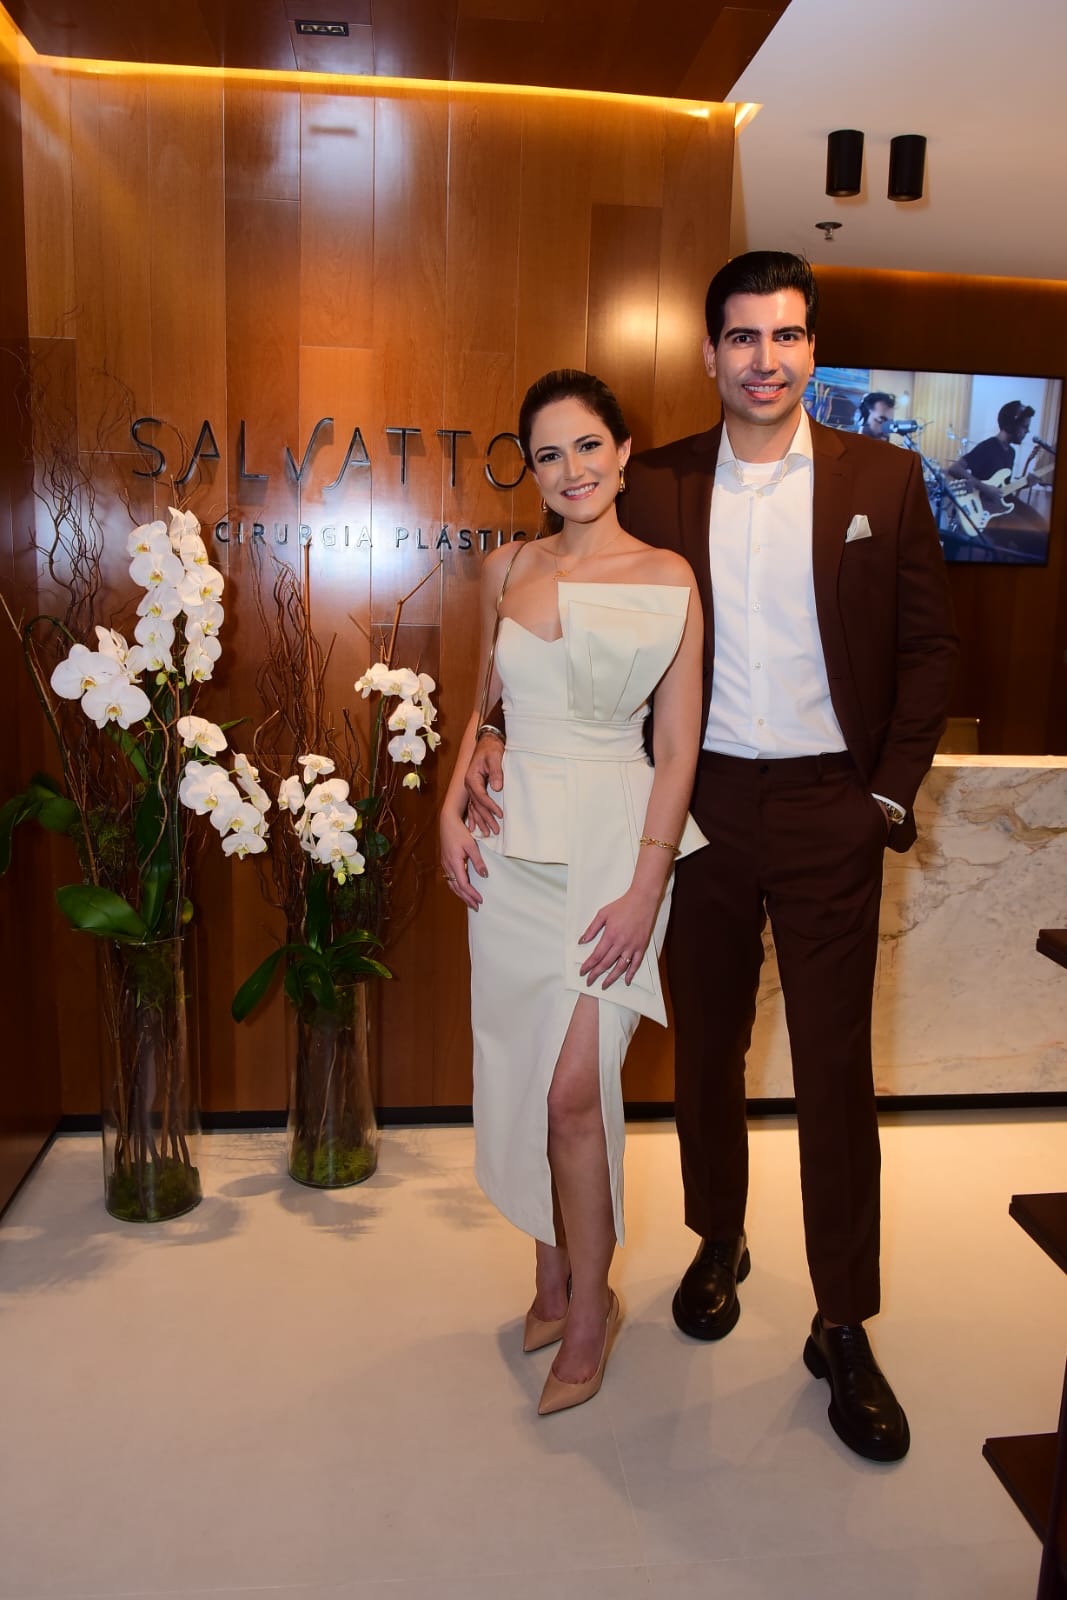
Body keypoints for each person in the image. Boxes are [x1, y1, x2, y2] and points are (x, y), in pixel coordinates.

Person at [466, 254, 957, 1462]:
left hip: (833, 803)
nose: (764, 359)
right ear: (708, 355)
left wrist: (882, 798)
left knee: (834, 1068)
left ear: (810, 348)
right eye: (741, 337)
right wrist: (494, 731)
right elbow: (562, 616)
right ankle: (714, 1238)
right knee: (704, 1053)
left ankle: (841, 1323)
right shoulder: (663, 480)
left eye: (785, 336)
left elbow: (928, 651)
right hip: (697, 807)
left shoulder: (883, 480)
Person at [439, 369, 705, 1417]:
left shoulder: (669, 575)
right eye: (548, 454)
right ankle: (550, 1279)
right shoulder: (506, 564)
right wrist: (450, 806)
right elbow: (482, 708)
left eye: (588, 445)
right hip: (513, 848)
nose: (571, 470)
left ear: (624, 452)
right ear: (531, 470)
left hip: (616, 843)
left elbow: (676, 749)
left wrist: (645, 887)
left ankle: (590, 1311)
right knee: (521, 1073)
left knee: (573, 1093)